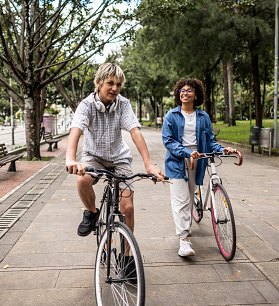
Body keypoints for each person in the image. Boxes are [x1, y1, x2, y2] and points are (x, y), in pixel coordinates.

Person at [66, 63, 165, 249]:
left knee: (127, 208)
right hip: (93, 157)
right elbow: (75, 131)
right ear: (98, 82)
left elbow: (135, 133)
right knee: (82, 181)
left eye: (119, 84)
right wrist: (71, 159)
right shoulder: (86, 105)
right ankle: (91, 212)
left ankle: (127, 256)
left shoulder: (123, 104)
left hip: (119, 158)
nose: (115, 88)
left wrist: (149, 165)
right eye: (110, 83)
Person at [162, 78, 238, 257]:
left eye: (189, 90)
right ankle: (184, 241)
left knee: (189, 197)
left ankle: (186, 228)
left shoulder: (203, 117)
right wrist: (186, 152)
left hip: (199, 161)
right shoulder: (171, 116)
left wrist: (223, 149)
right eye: (182, 90)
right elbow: (168, 141)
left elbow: (210, 141)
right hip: (177, 162)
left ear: (196, 95)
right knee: (181, 200)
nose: (185, 93)